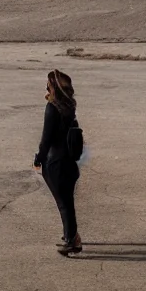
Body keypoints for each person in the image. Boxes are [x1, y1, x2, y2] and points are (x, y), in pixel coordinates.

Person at [34, 69, 83, 255]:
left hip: (55, 163)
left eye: (48, 84)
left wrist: (39, 158)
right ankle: (70, 235)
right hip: (69, 161)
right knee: (67, 202)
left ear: (53, 87)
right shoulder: (69, 106)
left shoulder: (52, 108)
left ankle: (73, 241)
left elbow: (46, 139)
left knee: (64, 204)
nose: (46, 86)